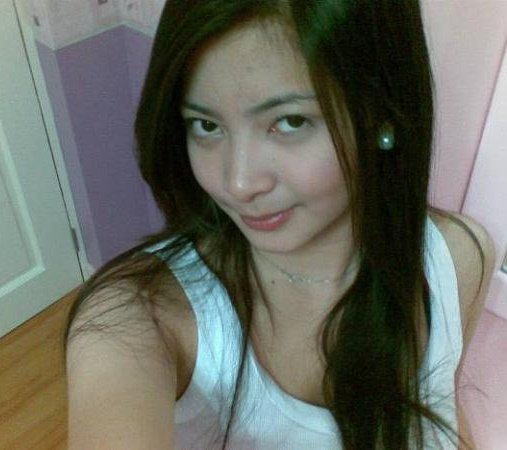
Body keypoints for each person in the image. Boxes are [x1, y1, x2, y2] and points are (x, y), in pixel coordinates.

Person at [64, 1, 496, 449]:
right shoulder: (140, 316)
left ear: (379, 116)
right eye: (206, 125)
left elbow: (441, 409)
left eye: (290, 122)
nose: (238, 183)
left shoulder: (458, 257)